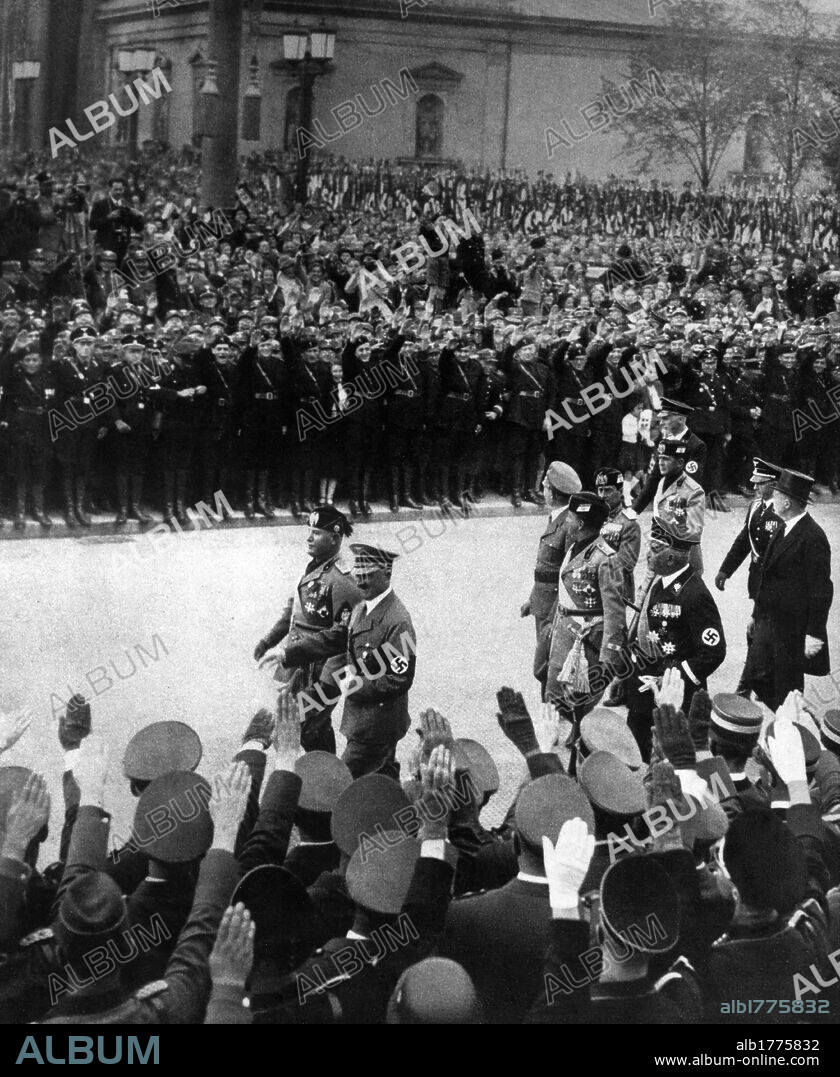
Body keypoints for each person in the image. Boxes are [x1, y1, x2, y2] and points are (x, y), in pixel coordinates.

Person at [253, 506, 361, 753]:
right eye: (309, 531)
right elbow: (293, 611)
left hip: (319, 674)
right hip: (297, 667)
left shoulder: (342, 580)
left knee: (313, 730)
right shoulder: (314, 567)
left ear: (334, 538)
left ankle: (324, 781)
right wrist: (267, 641)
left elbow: (342, 639)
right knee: (299, 728)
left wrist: (325, 688)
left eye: (317, 533)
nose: (309, 538)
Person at [625, 519, 726, 761]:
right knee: (639, 745)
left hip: (678, 693)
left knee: (678, 757)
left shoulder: (695, 595)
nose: (647, 554)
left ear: (671, 558)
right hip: (647, 681)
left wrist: (672, 678)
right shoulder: (662, 583)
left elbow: (713, 652)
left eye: (654, 549)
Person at [740, 468, 833, 711]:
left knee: (787, 686)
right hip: (769, 620)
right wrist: (755, 614)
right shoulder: (782, 527)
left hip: (793, 628)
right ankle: (784, 713)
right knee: (758, 675)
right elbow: (767, 577)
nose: (773, 500)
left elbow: (821, 590)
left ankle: (794, 727)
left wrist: (814, 633)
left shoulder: (813, 537)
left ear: (788, 502)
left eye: (778, 496)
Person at [544, 493, 627, 749]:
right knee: (559, 691)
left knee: (581, 696)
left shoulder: (605, 558)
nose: (566, 520)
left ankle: (583, 742)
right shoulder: (574, 547)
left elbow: (615, 611)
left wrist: (608, 655)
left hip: (586, 640)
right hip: (565, 634)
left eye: (570, 516)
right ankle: (575, 732)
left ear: (580, 523)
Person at [335, 542, 416, 779]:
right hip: (362, 720)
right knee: (381, 778)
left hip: (377, 725)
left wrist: (355, 686)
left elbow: (399, 678)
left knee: (343, 781)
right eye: (358, 575)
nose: (360, 582)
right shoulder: (363, 607)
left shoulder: (397, 621)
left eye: (368, 576)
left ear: (387, 574)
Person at [521, 461, 582, 692]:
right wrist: (532, 599)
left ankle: (553, 713)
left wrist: (557, 611)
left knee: (550, 665)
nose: (543, 490)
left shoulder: (569, 524)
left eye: (545, 486)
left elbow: (567, 574)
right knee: (544, 661)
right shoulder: (556, 517)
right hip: (543, 604)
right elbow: (545, 568)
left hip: (554, 609)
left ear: (553, 492)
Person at [715, 456, 782, 602]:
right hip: (757, 578)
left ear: (774, 484)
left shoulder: (783, 512)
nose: (755, 488)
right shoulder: (755, 506)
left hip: (777, 581)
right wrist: (725, 570)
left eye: (760, 484)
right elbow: (744, 541)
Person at [633, 397, 706, 513]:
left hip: (682, 510)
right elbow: (653, 479)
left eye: (666, 418)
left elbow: (690, 482)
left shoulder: (695, 445)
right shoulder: (664, 442)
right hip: (662, 506)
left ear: (681, 420)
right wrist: (634, 511)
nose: (661, 422)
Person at [594, 466, 641, 601]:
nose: (602, 496)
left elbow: (627, 564)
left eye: (607, 490)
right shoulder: (593, 519)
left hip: (616, 590)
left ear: (620, 492)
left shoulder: (629, 524)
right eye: (600, 490)